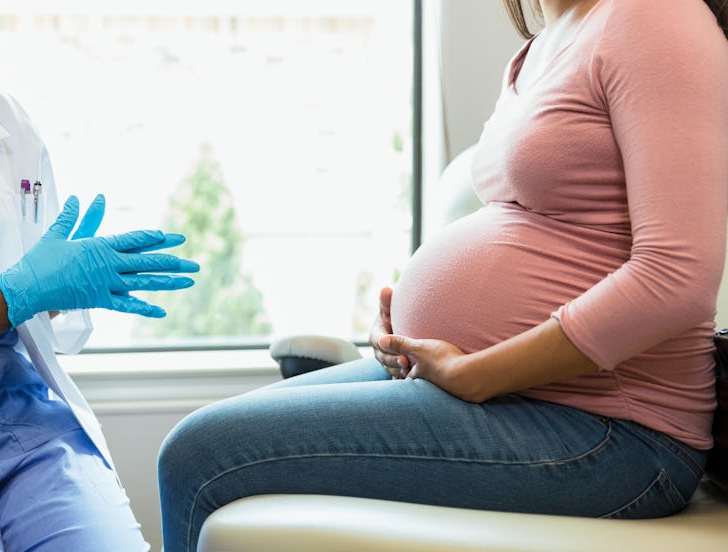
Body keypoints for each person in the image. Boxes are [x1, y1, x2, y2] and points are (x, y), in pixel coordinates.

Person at [157, 0, 728, 550]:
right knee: (193, 444)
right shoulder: (538, 50)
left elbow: (676, 278)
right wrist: (412, 319)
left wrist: (478, 370)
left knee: (201, 456)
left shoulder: (656, 16)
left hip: (611, 432)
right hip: (509, 396)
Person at [0, 1, 200, 550]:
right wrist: (12, 296)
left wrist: (62, 287)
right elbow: (13, 294)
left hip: (30, 433)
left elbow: (46, 313)